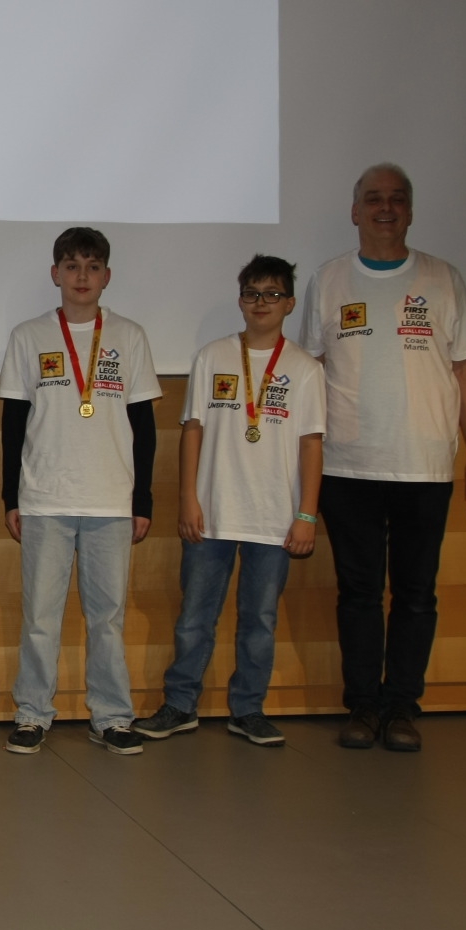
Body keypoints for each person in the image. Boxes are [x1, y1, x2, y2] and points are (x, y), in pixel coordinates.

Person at [301, 164, 466, 753]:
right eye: (374, 199)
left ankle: (402, 707)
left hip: (424, 464)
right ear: (355, 211)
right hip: (347, 466)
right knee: (357, 594)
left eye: (397, 199)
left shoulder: (443, 278)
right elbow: (308, 371)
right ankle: (362, 706)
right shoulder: (329, 279)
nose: (386, 208)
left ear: (410, 211)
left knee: (415, 594)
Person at [135, 256, 325, 748]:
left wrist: (306, 515)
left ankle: (248, 710)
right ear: (240, 300)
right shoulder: (213, 357)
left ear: (289, 303)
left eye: (272, 294)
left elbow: (311, 444)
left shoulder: (304, 369)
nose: (261, 302)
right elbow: (192, 430)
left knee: (259, 621)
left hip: (275, 518)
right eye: (251, 293)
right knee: (194, 617)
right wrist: (188, 499)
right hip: (212, 513)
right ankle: (180, 705)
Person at [0, 226, 163, 756]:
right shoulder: (29, 336)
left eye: (92, 267)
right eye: (72, 266)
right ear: (56, 274)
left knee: (107, 619)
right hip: (45, 497)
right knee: (40, 618)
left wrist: (142, 499)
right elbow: (13, 424)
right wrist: (11, 497)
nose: (82, 277)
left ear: (107, 276)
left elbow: (145, 426)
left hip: (111, 498)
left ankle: (112, 716)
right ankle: (32, 713)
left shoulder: (129, 336)